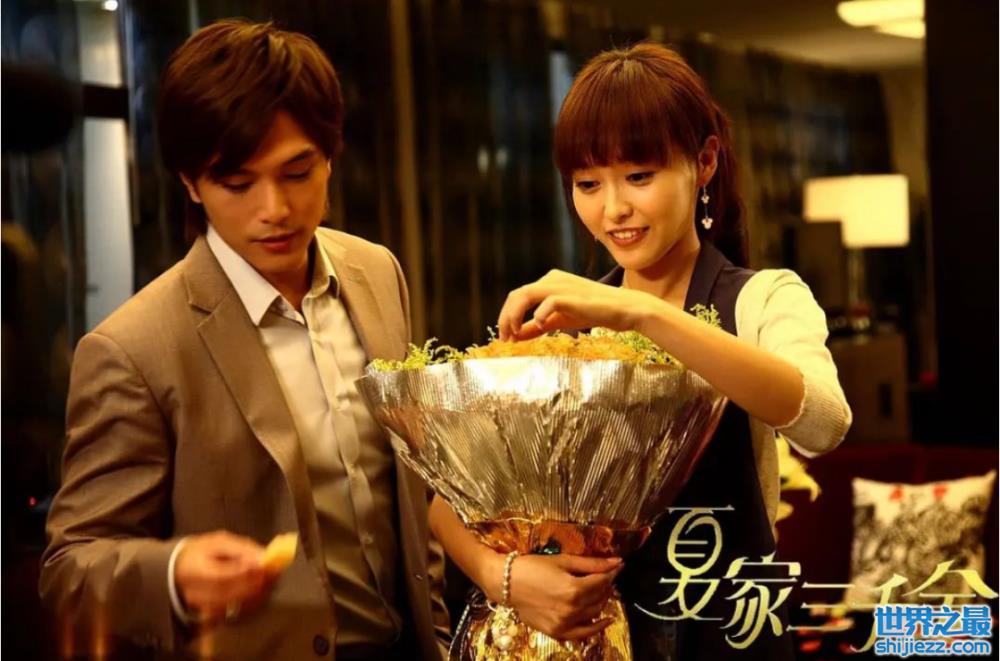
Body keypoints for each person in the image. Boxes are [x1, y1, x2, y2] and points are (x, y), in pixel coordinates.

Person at [39, 20, 450, 660]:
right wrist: (174, 574)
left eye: (297, 172)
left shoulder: (375, 273)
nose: (274, 209)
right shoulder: (135, 348)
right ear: (191, 183)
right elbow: (70, 569)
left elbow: (408, 487)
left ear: (330, 156)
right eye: (238, 184)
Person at [429, 43, 851, 659]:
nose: (613, 209)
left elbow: (823, 423)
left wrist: (641, 313)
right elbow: (449, 504)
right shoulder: (563, 322)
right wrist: (506, 578)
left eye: (639, 176)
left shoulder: (763, 299)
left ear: (704, 162)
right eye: (587, 184)